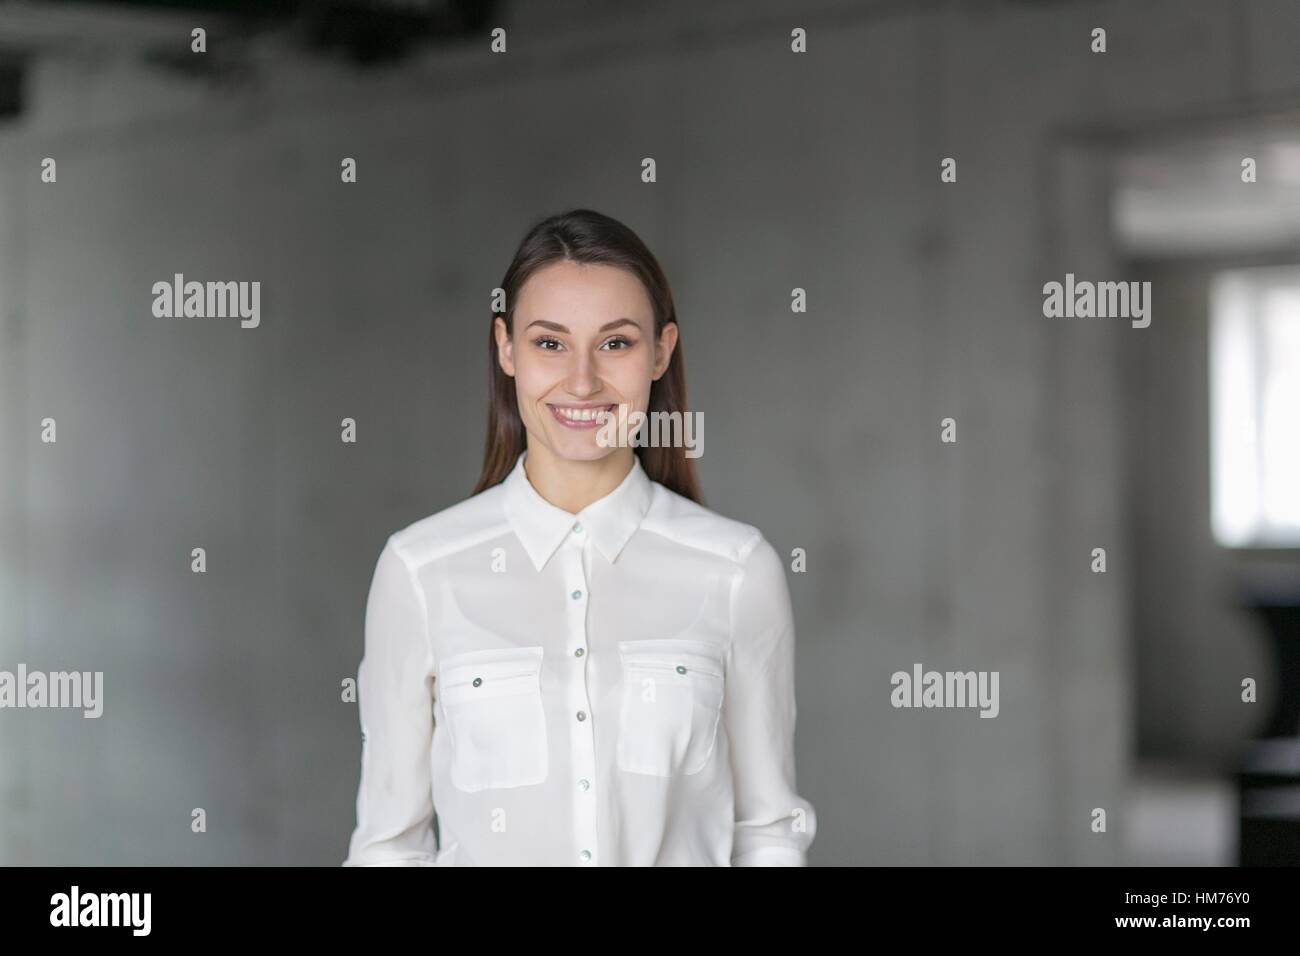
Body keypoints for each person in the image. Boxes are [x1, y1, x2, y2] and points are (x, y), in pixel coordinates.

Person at [343, 208, 816, 866]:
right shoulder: (421, 571)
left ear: (661, 351)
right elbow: (388, 849)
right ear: (506, 348)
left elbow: (769, 830)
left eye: (616, 343)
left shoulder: (737, 571)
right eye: (550, 343)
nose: (584, 380)